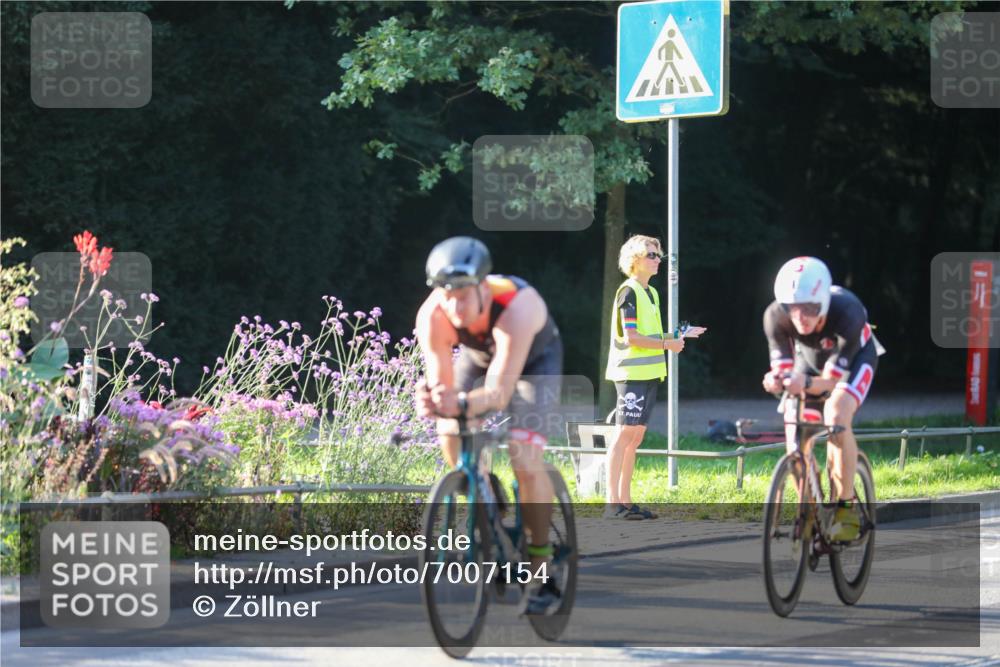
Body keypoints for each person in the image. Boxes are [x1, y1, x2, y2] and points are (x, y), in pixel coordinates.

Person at [414, 236, 563, 616]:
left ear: (483, 286)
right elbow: (442, 385)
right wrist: (435, 400)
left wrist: (461, 403)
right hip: (479, 358)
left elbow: (498, 393)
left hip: (533, 361)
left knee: (524, 457)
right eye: (445, 294)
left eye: (463, 295)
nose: (454, 305)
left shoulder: (517, 305)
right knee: (449, 430)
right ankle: (485, 497)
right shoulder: (433, 315)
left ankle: (541, 570)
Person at [762, 256, 885, 541]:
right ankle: (808, 509)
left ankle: (845, 508)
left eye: (810, 308)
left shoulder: (848, 311)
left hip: (855, 361)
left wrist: (801, 382)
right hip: (809, 362)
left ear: (824, 303)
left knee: (836, 415)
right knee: (794, 434)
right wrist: (776, 380)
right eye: (793, 308)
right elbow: (782, 368)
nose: (800, 316)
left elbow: (831, 382)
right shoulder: (774, 316)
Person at [604, 235, 705, 520]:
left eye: (658, 255)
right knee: (623, 435)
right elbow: (633, 337)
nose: (657, 260)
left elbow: (652, 335)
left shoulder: (652, 293)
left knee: (635, 438)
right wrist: (667, 345)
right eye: (651, 255)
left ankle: (626, 501)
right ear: (634, 260)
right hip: (630, 374)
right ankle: (612, 504)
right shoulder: (628, 291)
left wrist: (678, 336)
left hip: (649, 374)